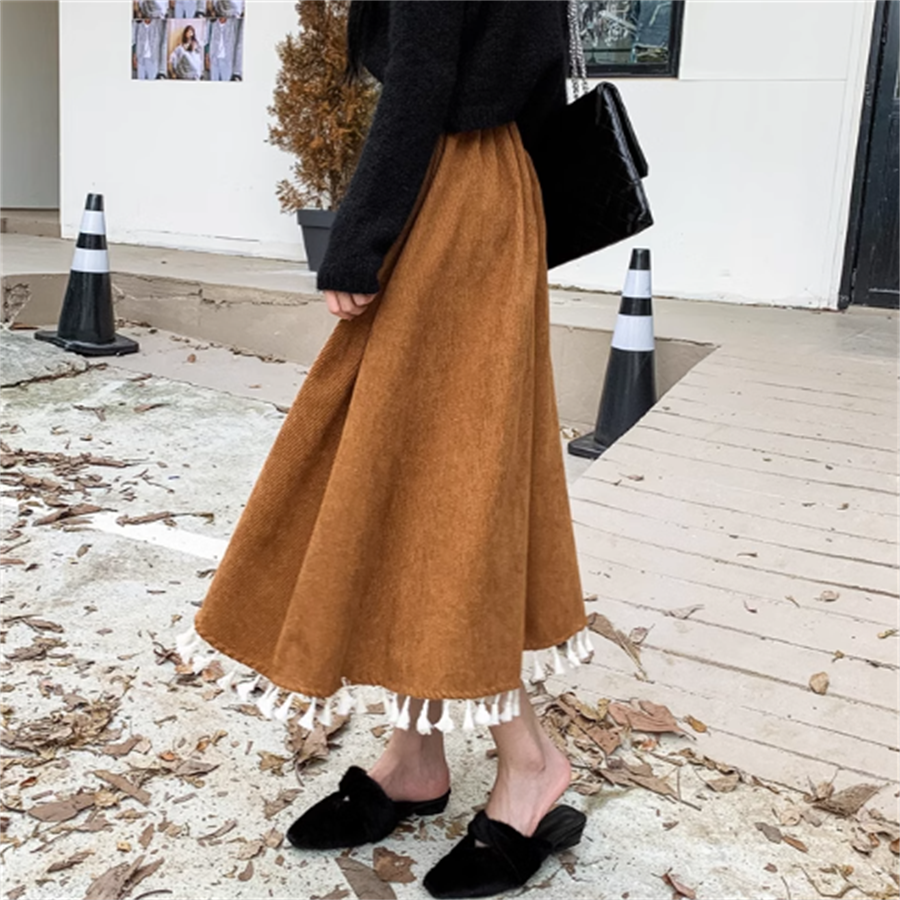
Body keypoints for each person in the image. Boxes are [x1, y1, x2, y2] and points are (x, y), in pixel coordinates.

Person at [191, 0, 589, 896]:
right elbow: (527, 73)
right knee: (421, 475)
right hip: (490, 192)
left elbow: (423, 75)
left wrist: (359, 237)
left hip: (448, 201)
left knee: (444, 482)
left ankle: (531, 762)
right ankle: (415, 754)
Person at [205, 15, 242, 81]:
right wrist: (207, 58)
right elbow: (207, 40)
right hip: (214, 59)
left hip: (227, 60)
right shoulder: (211, 22)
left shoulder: (233, 22)